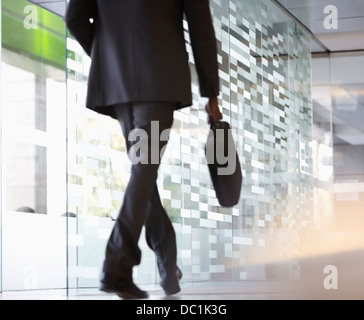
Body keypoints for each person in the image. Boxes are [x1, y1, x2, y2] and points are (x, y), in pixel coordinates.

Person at [65, 0, 223, 299]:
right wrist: (211, 94)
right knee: (144, 169)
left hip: (118, 83)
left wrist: (106, 57)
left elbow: (74, 19)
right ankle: (116, 269)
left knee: (143, 171)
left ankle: (167, 262)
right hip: (159, 80)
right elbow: (200, 28)